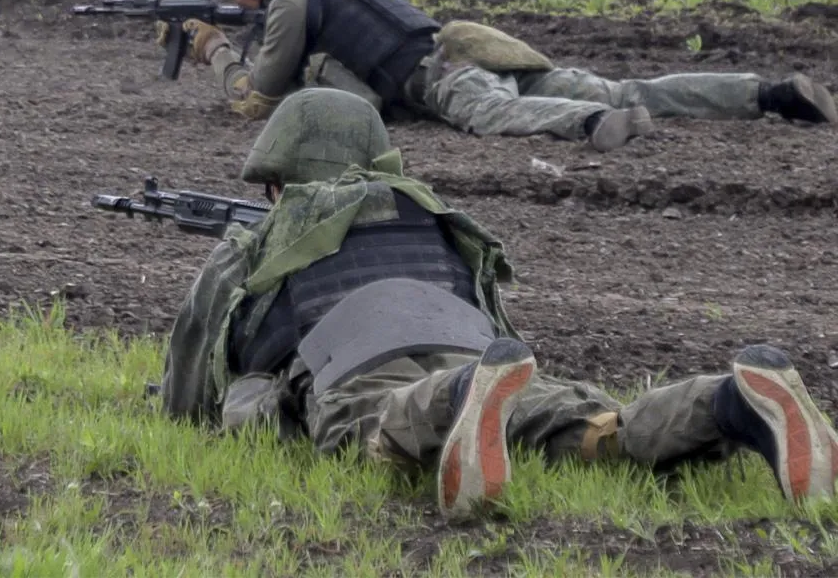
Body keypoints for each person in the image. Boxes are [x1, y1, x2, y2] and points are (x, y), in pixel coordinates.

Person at [161, 87, 838, 521]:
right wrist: (494, 375)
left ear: (278, 179)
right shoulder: (432, 218)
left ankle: (457, 400)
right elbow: (497, 322)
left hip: (371, 367)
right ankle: (729, 401)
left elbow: (190, 384)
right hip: (482, 352)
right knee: (586, 429)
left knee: (373, 427)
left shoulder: (258, 240)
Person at [157, 0, 837, 153]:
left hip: (442, 76)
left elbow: (256, 97)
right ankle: (770, 93)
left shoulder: (290, 3)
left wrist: (215, 51)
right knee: (627, 82)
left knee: (499, 115)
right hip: (468, 43)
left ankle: (596, 120)